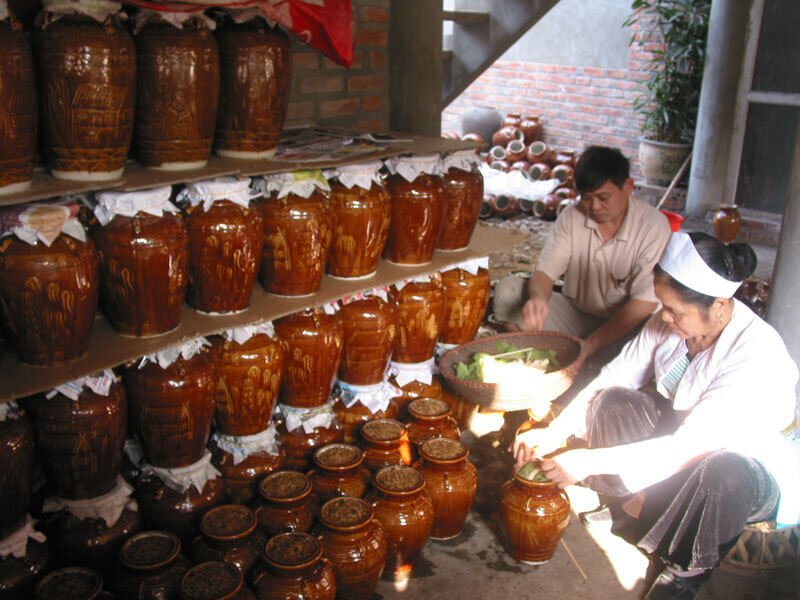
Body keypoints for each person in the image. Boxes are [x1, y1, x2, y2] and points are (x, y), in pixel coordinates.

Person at [512, 232, 800, 599]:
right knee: (610, 400)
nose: (664, 316)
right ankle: (620, 504)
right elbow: (617, 374)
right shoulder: (671, 324)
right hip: (687, 434)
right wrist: (557, 430)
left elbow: (686, 448)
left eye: (675, 311)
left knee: (720, 475)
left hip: (751, 465)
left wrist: (585, 461)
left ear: (721, 307)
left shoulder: (755, 357)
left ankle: (684, 574)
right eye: (663, 304)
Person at [493, 146, 672, 360]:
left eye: (603, 197)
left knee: (649, 341)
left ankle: (581, 353)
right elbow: (545, 273)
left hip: (629, 327)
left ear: (628, 187)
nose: (594, 206)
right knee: (507, 290)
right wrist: (538, 298)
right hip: (579, 316)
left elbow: (643, 304)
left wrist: (591, 344)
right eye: (586, 198)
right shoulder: (572, 216)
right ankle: (553, 349)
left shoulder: (653, 226)